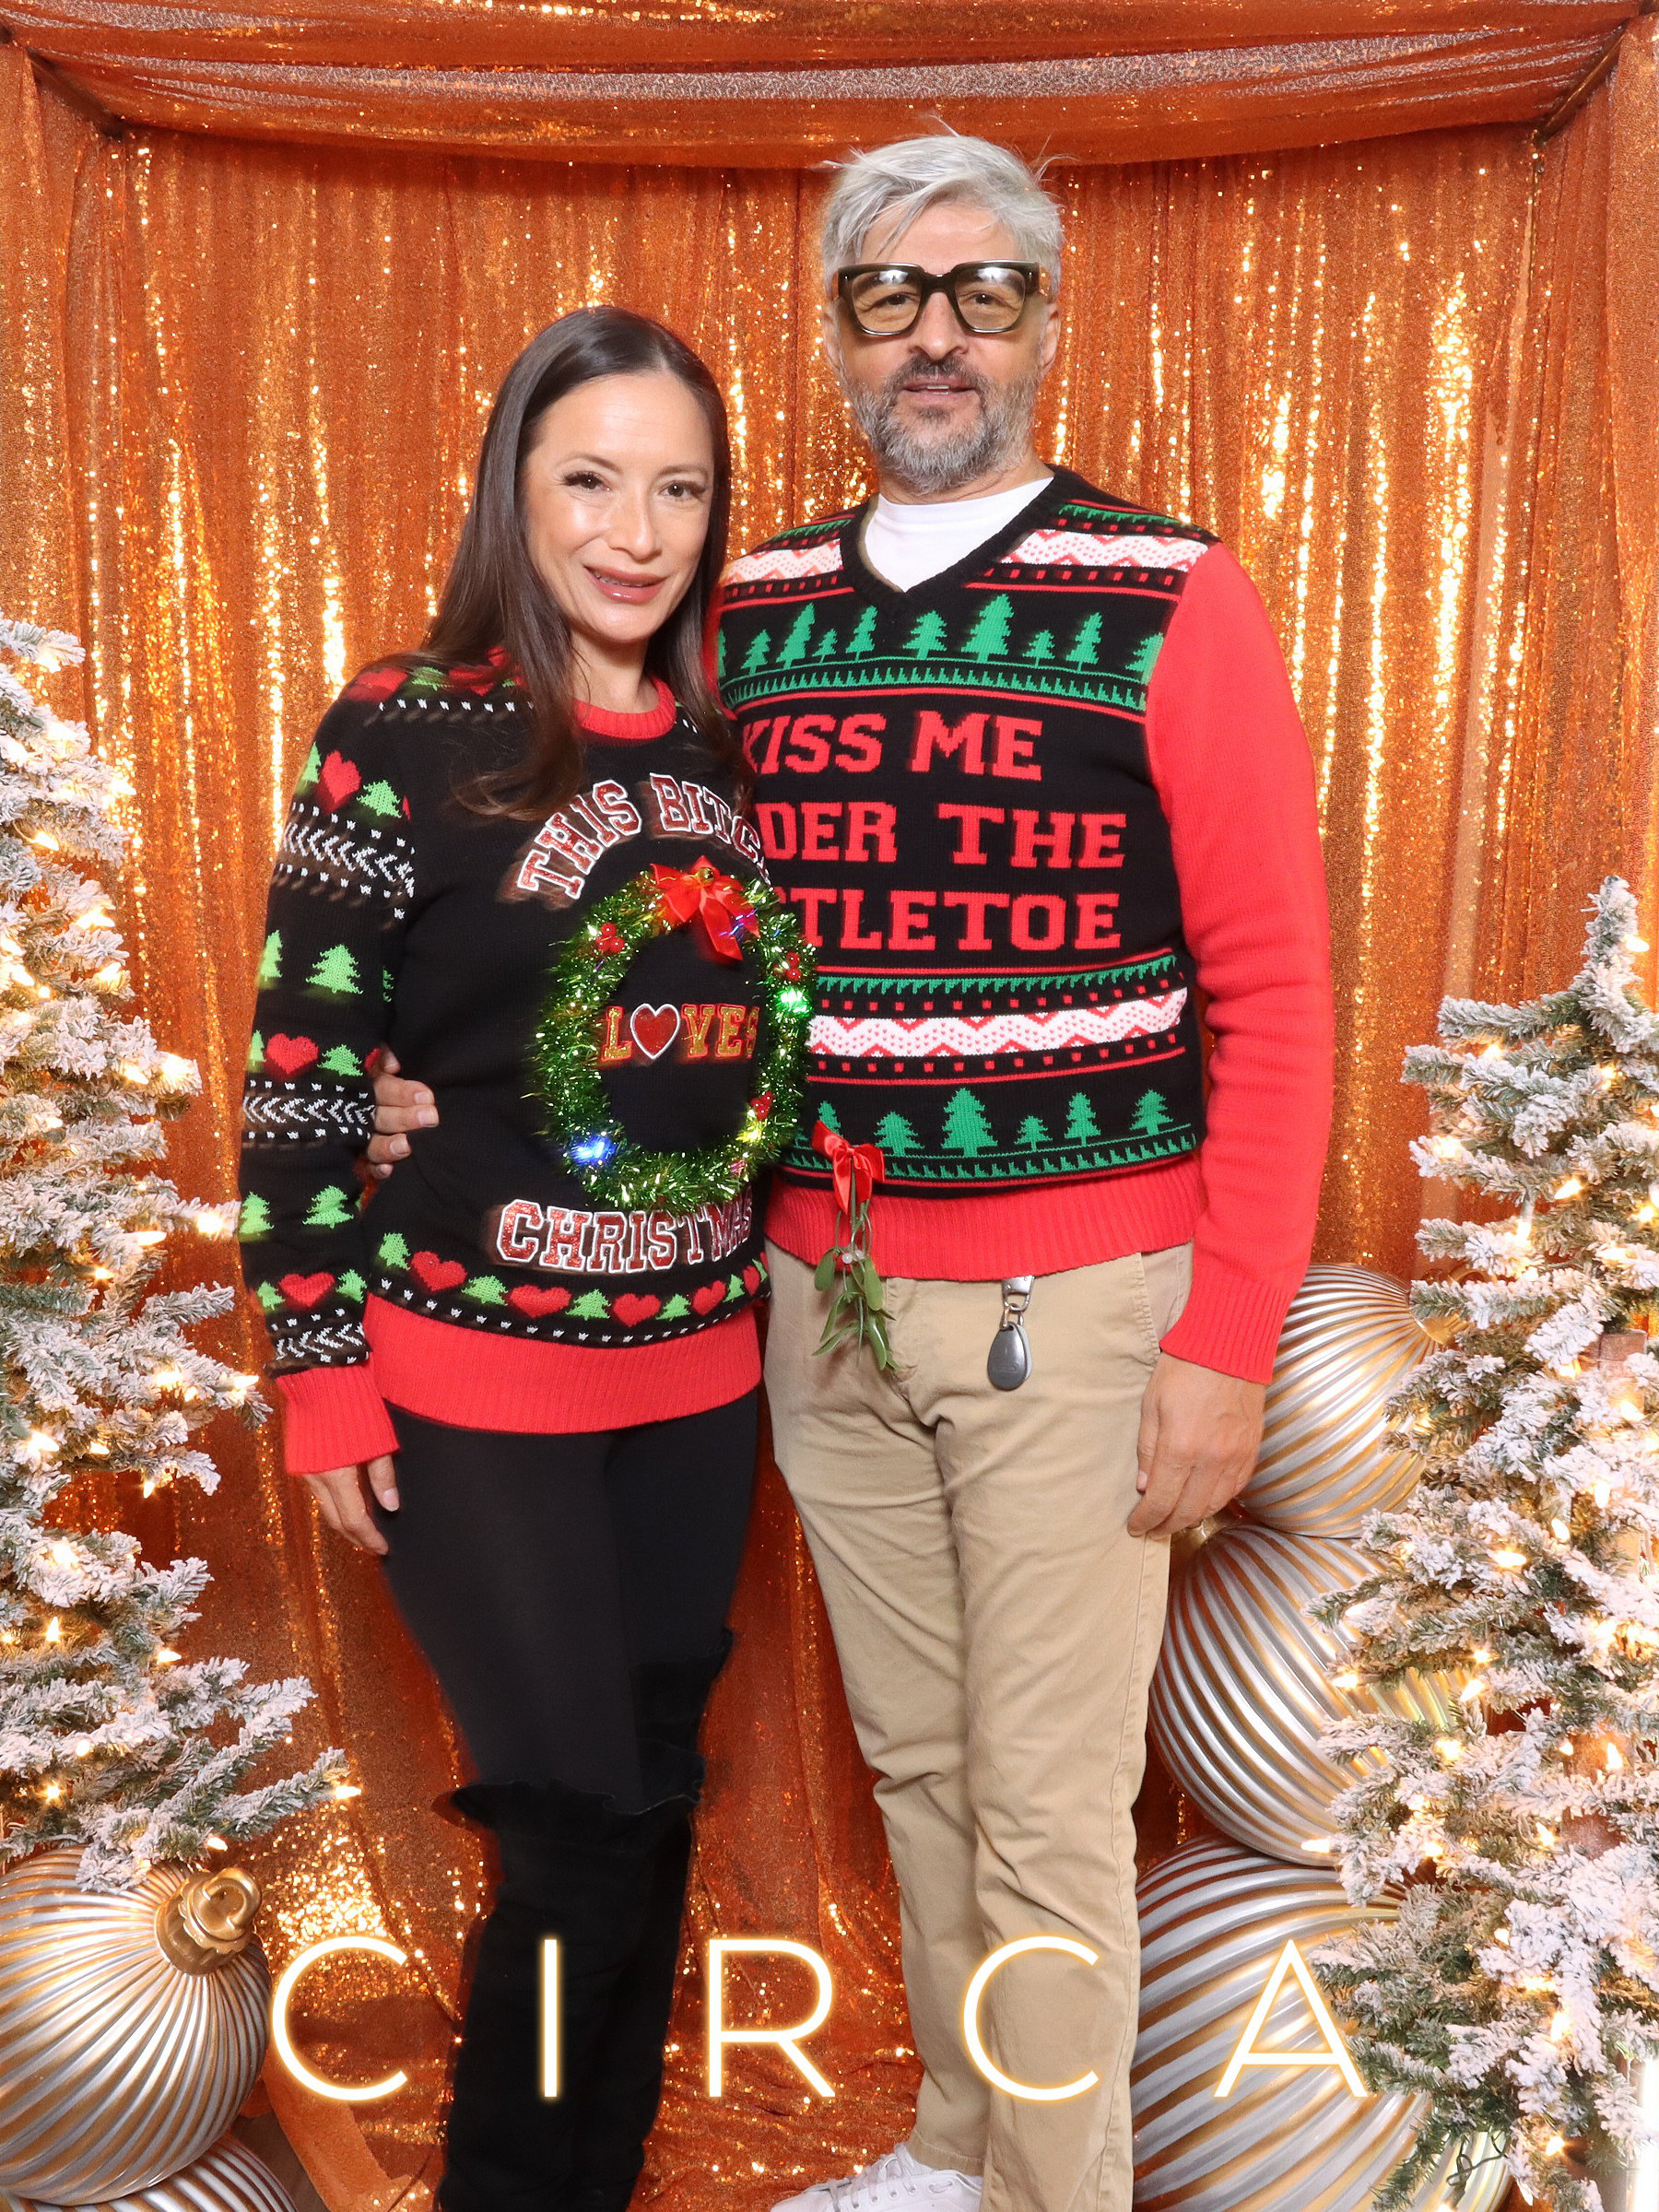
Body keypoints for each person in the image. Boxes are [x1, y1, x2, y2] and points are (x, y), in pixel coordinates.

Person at [371, 136, 1333, 2212]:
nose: (937, 336)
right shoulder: (753, 615)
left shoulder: (1175, 596)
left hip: (1082, 1301)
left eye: (986, 291)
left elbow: (1275, 992)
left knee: (1050, 1806)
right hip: (815, 1295)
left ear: (1046, 320)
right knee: (922, 1765)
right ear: (837, 331)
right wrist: (390, 1077)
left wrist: (1230, 1336)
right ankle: (969, 2149)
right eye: (892, 294)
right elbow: (587, 894)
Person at [238, 307, 808, 2212]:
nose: (635, 532)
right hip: (475, 1381)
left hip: (701, 1377)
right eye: (591, 481)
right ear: (517, 490)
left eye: (679, 490)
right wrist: (322, 1371)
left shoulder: (734, 750)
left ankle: (594, 2178)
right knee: (571, 1838)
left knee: (650, 1810)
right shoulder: (403, 727)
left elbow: (759, 1051)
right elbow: (306, 1077)